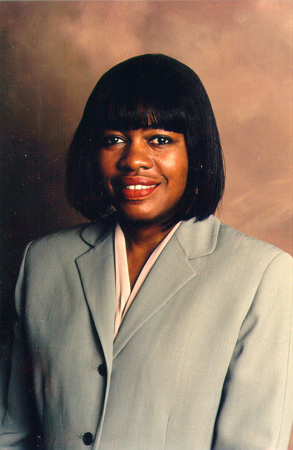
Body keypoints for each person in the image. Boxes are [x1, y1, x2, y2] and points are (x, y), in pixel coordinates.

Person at [0, 54, 292, 449]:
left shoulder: (263, 276)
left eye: (160, 140)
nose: (133, 160)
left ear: (197, 152)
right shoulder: (43, 262)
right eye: (114, 139)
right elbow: (11, 433)